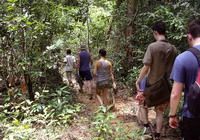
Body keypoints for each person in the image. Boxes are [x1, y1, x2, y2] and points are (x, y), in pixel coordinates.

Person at [135, 21, 177, 140]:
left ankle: (147, 127)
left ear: (155, 32)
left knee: (143, 105)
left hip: (152, 85)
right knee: (160, 112)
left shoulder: (152, 47)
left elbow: (146, 66)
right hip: (166, 86)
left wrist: (138, 80)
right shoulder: (173, 49)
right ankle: (158, 135)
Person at [169, 19, 200, 140]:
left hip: (192, 115)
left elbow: (176, 94)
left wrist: (172, 115)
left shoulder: (182, 59)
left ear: (189, 36)